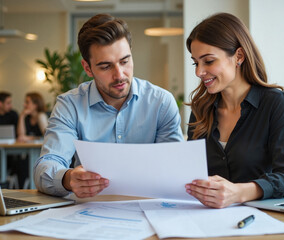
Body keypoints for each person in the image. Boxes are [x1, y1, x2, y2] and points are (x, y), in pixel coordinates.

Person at [35, 13, 183, 197]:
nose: (120, 75)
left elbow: (176, 169)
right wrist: (68, 178)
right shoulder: (70, 105)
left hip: (148, 208)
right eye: (106, 66)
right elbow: (46, 166)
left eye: (125, 61)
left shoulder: (161, 102)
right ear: (87, 68)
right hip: (89, 211)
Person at [184, 13, 284, 209]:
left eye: (209, 61)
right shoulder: (200, 109)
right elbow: (191, 174)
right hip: (206, 217)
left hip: (261, 218)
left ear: (238, 56)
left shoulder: (275, 103)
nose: (199, 72)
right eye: (196, 63)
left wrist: (239, 193)